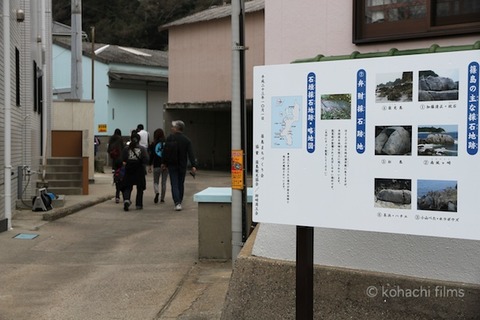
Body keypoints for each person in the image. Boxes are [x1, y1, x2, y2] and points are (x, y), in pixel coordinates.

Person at [162, 120, 197, 211]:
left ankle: (177, 202)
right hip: (182, 165)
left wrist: (164, 163)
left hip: (172, 165)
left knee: (174, 184)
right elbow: (191, 154)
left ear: (177, 128)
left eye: (173, 127)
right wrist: (193, 165)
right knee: (180, 183)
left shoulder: (170, 138)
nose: (171, 128)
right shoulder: (186, 140)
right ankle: (179, 202)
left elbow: (166, 152)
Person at [121, 131, 149, 211]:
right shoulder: (142, 149)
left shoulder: (126, 148)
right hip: (139, 169)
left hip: (129, 168)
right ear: (139, 139)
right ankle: (138, 204)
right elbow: (146, 159)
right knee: (140, 187)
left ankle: (126, 200)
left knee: (127, 186)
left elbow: (123, 159)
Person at [148, 128, 169, 204]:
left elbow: (152, 156)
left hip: (156, 165)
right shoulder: (167, 143)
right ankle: (162, 198)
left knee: (156, 181)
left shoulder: (153, 144)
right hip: (165, 165)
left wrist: (150, 165)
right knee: (164, 182)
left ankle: (157, 192)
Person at [107, 128, 125, 203]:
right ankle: (123, 195)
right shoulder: (121, 139)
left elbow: (108, 150)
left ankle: (117, 195)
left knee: (116, 177)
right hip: (120, 161)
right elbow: (123, 149)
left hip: (114, 162)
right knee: (122, 177)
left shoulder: (111, 139)